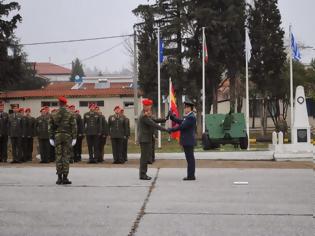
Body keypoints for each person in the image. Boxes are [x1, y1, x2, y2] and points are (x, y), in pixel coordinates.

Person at [138, 99, 169, 180]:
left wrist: (165, 118)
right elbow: (153, 124)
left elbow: (155, 120)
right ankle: (142, 174)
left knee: (145, 157)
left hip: (146, 138)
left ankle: (143, 173)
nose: (150, 107)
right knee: (144, 157)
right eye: (149, 106)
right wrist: (165, 130)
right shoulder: (144, 116)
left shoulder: (146, 114)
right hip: (144, 139)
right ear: (146, 106)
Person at [49, 96, 77, 185]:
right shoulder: (71, 113)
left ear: (59, 103)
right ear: (65, 103)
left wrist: (50, 137)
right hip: (67, 136)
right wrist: (74, 137)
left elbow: (50, 127)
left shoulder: (54, 113)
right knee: (66, 156)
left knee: (58, 156)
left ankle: (59, 178)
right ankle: (65, 177)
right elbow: (74, 126)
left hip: (57, 137)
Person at [168, 98, 197, 181]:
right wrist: (173, 118)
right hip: (188, 141)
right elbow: (181, 121)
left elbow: (182, 126)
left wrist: (171, 129)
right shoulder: (189, 116)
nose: (185, 109)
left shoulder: (191, 117)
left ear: (189, 108)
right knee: (190, 159)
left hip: (188, 141)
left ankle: (191, 176)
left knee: (190, 159)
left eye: (186, 107)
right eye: (185, 107)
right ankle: (191, 175)